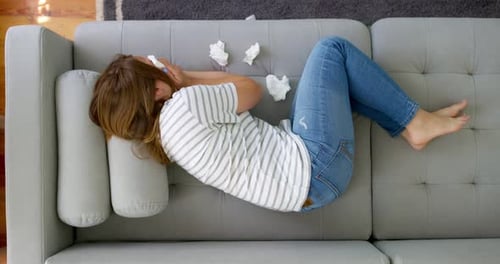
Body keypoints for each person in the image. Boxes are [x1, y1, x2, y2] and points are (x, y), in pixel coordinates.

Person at [90, 37, 469, 213]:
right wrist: (184, 77)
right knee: (331, 50)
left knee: (337, 84)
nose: (159, 63)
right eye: (153, 66)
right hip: (316, 164)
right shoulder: (184, 105)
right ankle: (415, 122)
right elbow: (250, 90)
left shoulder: (168, 141)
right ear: (157, 89)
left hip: (308, 194)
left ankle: (407, 127)